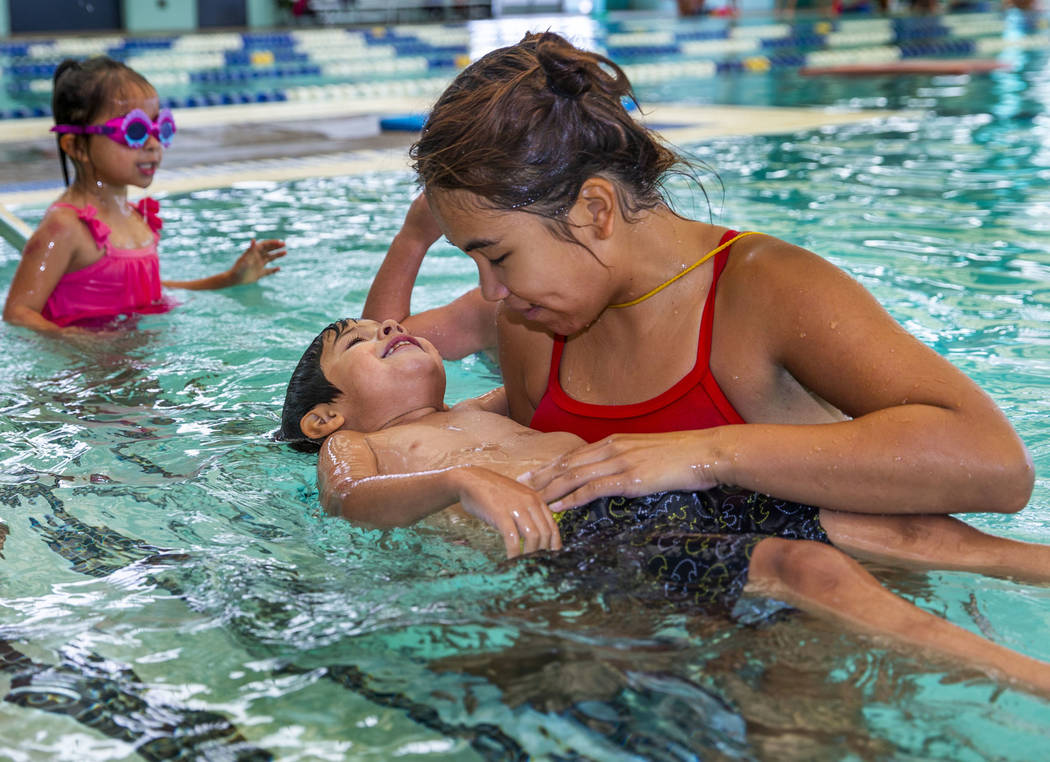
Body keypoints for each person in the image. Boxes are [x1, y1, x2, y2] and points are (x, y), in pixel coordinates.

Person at [366, 32, 1035, 547]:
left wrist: (708, 452)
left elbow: (995, 465)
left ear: (595, 210)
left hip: (809, 650)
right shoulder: (532, 325)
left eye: (499, 257)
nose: (491, 293)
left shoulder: (767, 291)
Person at [279, 316, 1050, 697]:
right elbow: (351, 503)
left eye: (387, 325)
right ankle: (1024, 674)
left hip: (652, 485)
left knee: (903, 528)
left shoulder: (491, 405)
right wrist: (459, 483)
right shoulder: (360, 448)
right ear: (325, 416)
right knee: (806, 566)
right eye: (356, 340)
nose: (387, 326)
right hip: (590, 529)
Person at [2, 57, 287, 333]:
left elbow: (150, 295)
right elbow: (19, 312)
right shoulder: (65, 226)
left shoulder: (137, 218)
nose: (152, 144)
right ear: (76, 147)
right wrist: (78, 342)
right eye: (134, 130)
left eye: (158, 127)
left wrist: (228, 280)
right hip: (83, 376)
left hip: (135, 364)